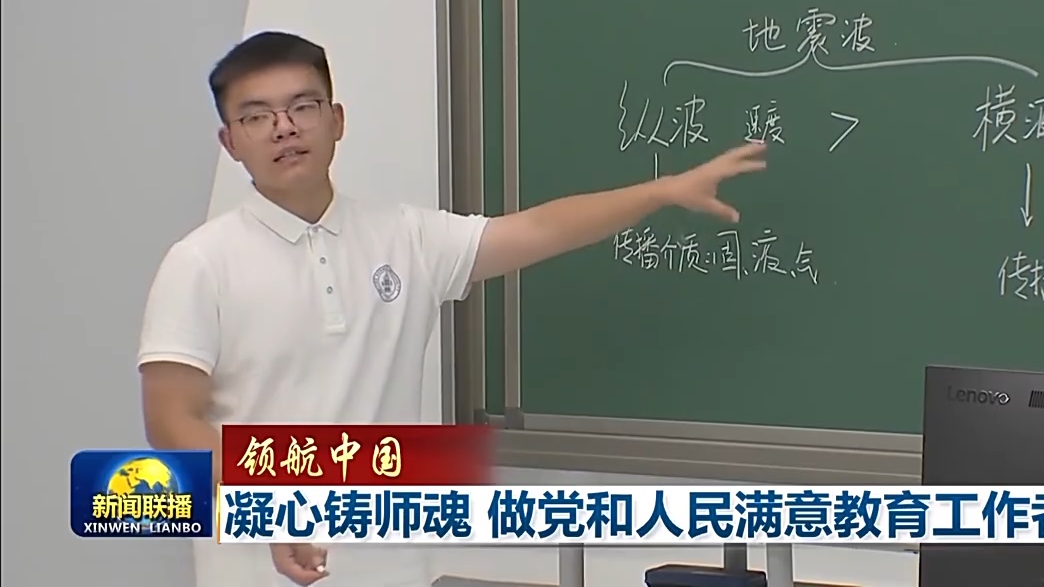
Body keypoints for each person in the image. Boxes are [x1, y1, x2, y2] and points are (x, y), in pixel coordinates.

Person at [137, 31, 766, 587]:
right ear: (230, 142)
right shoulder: (201, 263)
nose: (284, 128)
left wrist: (662, 191)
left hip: (394, 567)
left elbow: (540, 229)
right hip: (257, 570)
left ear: (337, 119)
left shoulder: (406, 238)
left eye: (303, 107)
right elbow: (170, 420)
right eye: (257, 116)